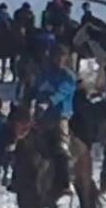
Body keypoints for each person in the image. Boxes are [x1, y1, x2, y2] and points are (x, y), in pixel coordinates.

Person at [31, 45, 79, 195]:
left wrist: (49, 101)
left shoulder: (68, 76)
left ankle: (67, 181)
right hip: (42, 116)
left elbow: (62, 92)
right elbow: (36, 89)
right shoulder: (44, 74)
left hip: (60, 115)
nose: (58, 59)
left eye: (61, 57)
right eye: (56, 56)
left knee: (61, 145)